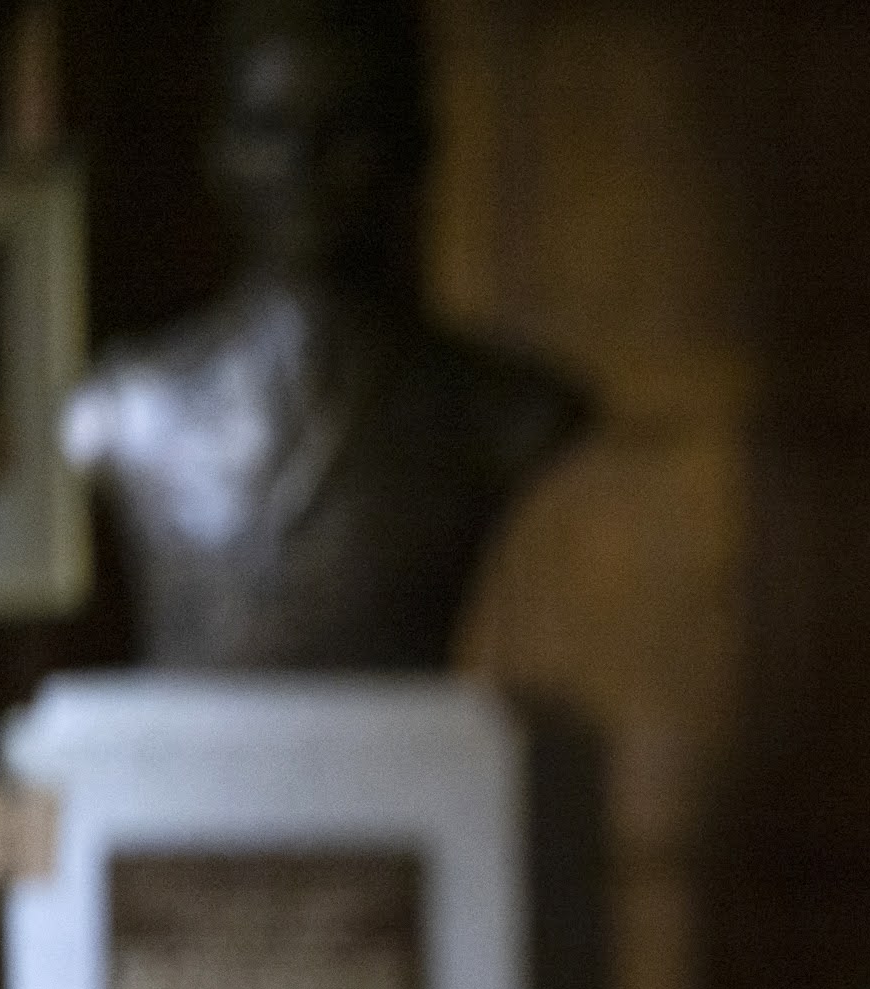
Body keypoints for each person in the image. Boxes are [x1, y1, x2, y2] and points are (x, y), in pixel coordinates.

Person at [62, 0, 587, 668]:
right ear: (219, 150)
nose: (302, 165)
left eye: (345, 129)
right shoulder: (125, 408)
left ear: (411, 148)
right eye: (268, 128)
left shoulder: (502, 413)